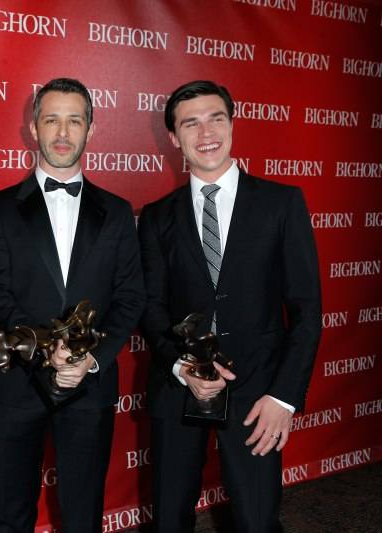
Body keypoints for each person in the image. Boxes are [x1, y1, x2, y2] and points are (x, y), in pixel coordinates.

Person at [138, 80, 322, 532]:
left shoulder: (282, 203)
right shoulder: (156, 216)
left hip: (258, 392)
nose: (206, 133)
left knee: (258, 521)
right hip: (178, 387)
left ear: (233, 125)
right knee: (168, 520)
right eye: (191, 123)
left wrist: (283, 397)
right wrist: (183, 369)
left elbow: (306, 310)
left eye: (216, 118)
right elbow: (151, 308)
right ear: (173, 138)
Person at [0, 78, 146, 533]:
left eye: (76, 120)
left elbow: (131, 297)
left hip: (89, 385)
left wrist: (91, 357)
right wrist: (43, 348)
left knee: (83, 514)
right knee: (12, 516)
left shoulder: (117, 212)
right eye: (52, 119)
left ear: (91, 129)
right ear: (33, 128)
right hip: (16, 383)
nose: (63, 132)